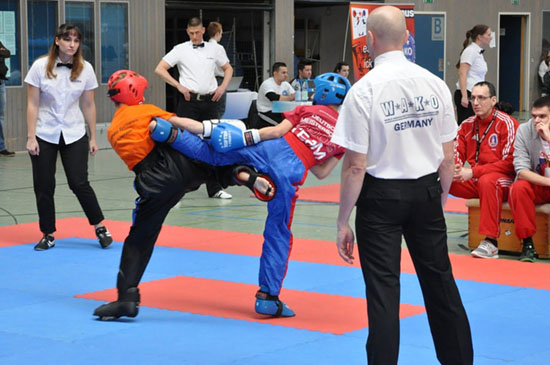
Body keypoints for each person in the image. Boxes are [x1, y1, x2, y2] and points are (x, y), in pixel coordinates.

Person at [332, 6, 473, 364]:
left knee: (383, 294)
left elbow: (354, 166)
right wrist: (437, 200)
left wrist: (342, 220)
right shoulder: (435, 84)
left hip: (379, 198)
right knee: (441, 285)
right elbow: (447, 157)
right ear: (408, 38)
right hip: (425, 191)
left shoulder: (363, 91)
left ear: (370, 40)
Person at [149, 72, 351, 318]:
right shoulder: (343, 135)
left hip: (272, 148)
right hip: (292, 171)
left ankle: (168, 133)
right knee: (279, 231)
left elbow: (277, 132)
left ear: (319, 93)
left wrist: (246, 138)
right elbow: (321, 172)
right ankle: (268, 297)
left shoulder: (307, 110)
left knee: (215, 155)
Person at [93, 70, 273, 320]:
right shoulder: (145, 111)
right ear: (134, 92)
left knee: (139, 239)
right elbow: (184, 125)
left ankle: (127, 298)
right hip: (177, 165)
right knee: (211, 163)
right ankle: (243, 175)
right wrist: (208, 130)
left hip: (151, 182)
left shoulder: (112, 131)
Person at [24, 24, 112, 251]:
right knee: (43, 185)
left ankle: (100, 226)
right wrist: (30, 136)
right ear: (57, 41)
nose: (72, 44)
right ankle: (48, 233)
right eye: (67, 39)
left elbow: (89, 105)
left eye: (76, 40)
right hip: (44, 133)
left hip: (74, 133)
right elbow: (32, 104)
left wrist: (94, 138)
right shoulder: (39, 66)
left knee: (79, 182)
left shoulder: (86, 68)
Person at [155, 16, 233, 200]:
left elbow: (228, 69)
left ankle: (215, 188)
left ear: (204, 31)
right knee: (181, 144)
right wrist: (178, 86)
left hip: (211, 101)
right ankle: (177, 191)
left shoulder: (215, 48)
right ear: (187, 32)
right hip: (189, 102)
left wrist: (222, 87)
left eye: (198, 33)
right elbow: (160, 69)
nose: (195, 36)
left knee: (214, 142)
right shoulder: (180, 49)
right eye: (191, 33)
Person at [450, 81, 519, 259]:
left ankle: (491, 242)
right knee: (442, 178)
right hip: (477, 181)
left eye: (481, 98)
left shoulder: (507, 123)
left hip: (504, 181)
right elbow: (456, 151)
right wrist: (456, 168)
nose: (476, 102)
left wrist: (473, 172)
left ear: (493, 100)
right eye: (473, 98)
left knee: (488, 181)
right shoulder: (466, 124)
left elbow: (510, 163)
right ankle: (428, 227)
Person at [508, 96, 550, 263]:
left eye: (542, 116)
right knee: (518, 188)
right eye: (534, 116)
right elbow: (522, 171)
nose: (536, 121)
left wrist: (548, 138)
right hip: (539, 183)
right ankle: (527, 244)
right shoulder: (524, 131)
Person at [455, 24, 492, 125]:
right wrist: (464, 96)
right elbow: (462, 73)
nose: (491, 37)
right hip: (467, 93)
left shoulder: (478, 52)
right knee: (466, 125)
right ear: (480, 37)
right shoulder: (470, 51)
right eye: (488, 35)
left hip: (475, 93)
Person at [255, 62, 295, 127]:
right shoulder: (267, 83)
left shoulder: (285, 84)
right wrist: (290, 98)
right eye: (283, 73)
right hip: (266, 112)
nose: (286, 75)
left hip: (280, 110)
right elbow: (273, 97)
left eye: (286, 73)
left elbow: (295, 95)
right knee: (285, 125)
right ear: (275, 73)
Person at [207, 21, 228, 119]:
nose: (221, 36)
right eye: (221, 33)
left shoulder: (204, 47)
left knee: (209, 108)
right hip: (218, 80)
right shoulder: (219, 48)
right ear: (217, 33)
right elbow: (226, 66)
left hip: (207, 80)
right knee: (219, 109)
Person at [0, 41, 14, 157]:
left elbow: (7, 53)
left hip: (1, 83)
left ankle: (1, 147)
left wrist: (2, 51)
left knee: (0, 116)